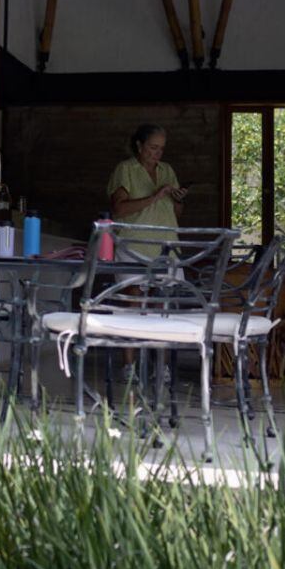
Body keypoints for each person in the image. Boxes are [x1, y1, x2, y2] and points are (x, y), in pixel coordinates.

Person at [106, 123, 190, 386]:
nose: (157, 153)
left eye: (161, 149)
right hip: (134, 246)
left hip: (166, 246)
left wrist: (177, 199)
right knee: (133, 302)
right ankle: (129, 366)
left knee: (162, 305)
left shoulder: (167, 171)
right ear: (139, 146)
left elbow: (176, 215)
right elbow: (118, 209)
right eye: (153, 148)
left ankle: (161, 366)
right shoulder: (125, 170)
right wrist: (155, 196)